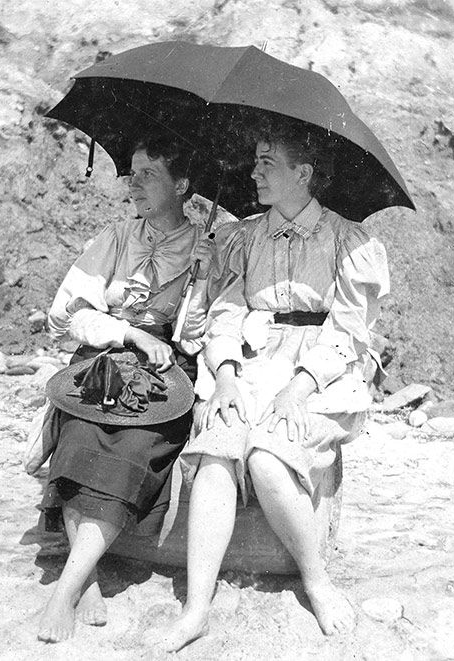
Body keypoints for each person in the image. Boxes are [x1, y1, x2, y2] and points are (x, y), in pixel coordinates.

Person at [156, 120, 390, 651]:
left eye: (267, 163)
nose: (254, 172)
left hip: (321, 372)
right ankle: (197, 608)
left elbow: (351, 330)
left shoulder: (346, 238)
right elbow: (228, 313)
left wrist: (300, 387)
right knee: (215, 455)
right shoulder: (243, 237)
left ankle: (316, 579)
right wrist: (227, 377)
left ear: (303, 174)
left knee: (264, 457)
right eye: (255, 161)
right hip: (253, 364)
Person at [37, 133, 209, 643]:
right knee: (78, 436)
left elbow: (196, 338)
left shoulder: (207, 248)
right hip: (101, 360)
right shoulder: (114, 239)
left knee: (133, 446)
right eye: (131, 173)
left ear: (181, 185)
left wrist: (203, 277)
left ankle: (66, 586)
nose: (131, 184)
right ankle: (78, 582)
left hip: (165, 374)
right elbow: (63, 315)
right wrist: (126, 331)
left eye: (146, 175)